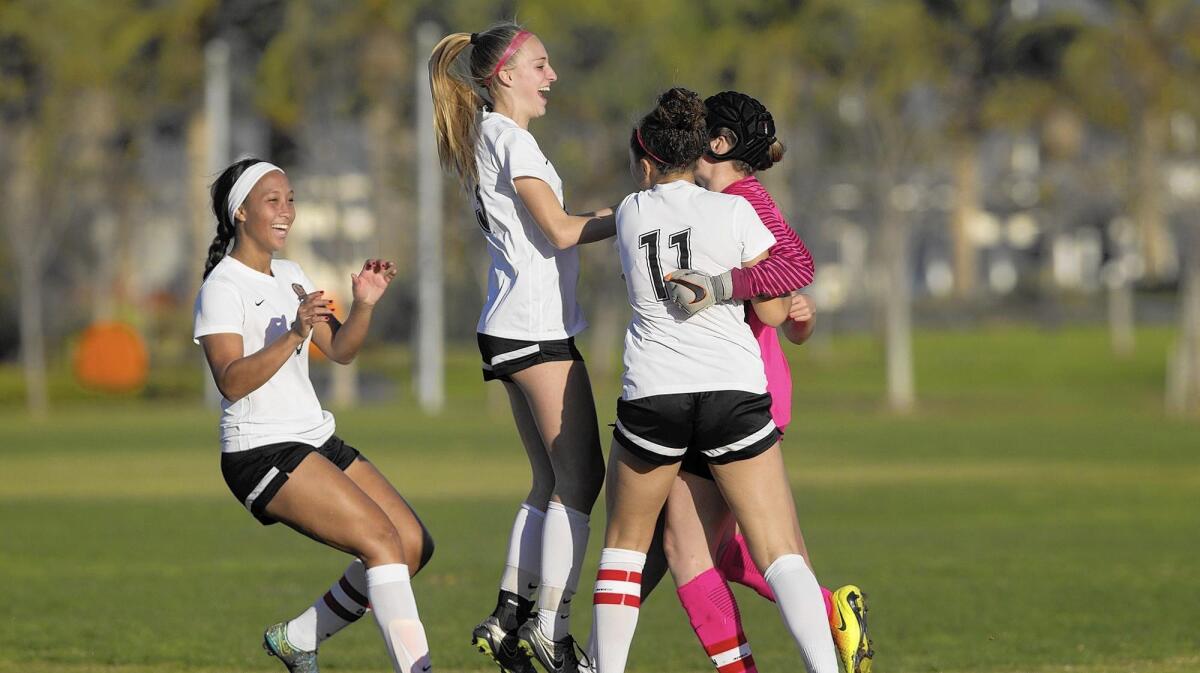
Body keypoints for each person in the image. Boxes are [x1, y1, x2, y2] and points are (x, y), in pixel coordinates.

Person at [591, 87, 840, 673]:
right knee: (781, 555)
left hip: (655, 394)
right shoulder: (734, 211)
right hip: (733, 392)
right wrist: (734, 287)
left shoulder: (630, 211)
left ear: (646, 160)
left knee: (626, 552)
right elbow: (781, 301)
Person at [658, 91, 874, 673]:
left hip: (738, 394)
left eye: (699, 128)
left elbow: (792, 272)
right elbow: (781, 312)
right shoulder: (714, 203)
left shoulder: (744, 198)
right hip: (733, 390)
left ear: (719, 143)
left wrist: (723, 288)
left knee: (710, 548)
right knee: (724, 548)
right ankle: (831, 618)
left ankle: (829, 619)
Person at [193, 158, 434, 673]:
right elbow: (231, 382)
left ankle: (298, 637)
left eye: (291, 199)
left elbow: (341, 349)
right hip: (260, 451)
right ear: (240, 212)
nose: (287, 211)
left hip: (313, 438)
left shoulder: (294, 275)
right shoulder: (221, 287)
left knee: (411, 544)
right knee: (381, 541)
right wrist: (294, 334)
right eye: (273, 201)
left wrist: (363, 303)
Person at [428, 22, 615, 673]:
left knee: (550, 480)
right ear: (503, 75)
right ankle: (548, 629)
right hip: (535, 330)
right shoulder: (513, 142)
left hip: (509, 326)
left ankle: (510, 612)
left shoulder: (488, 135)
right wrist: (644, 211)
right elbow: (562, 231)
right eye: (540, 64)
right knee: (583, 479)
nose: (551, 76)